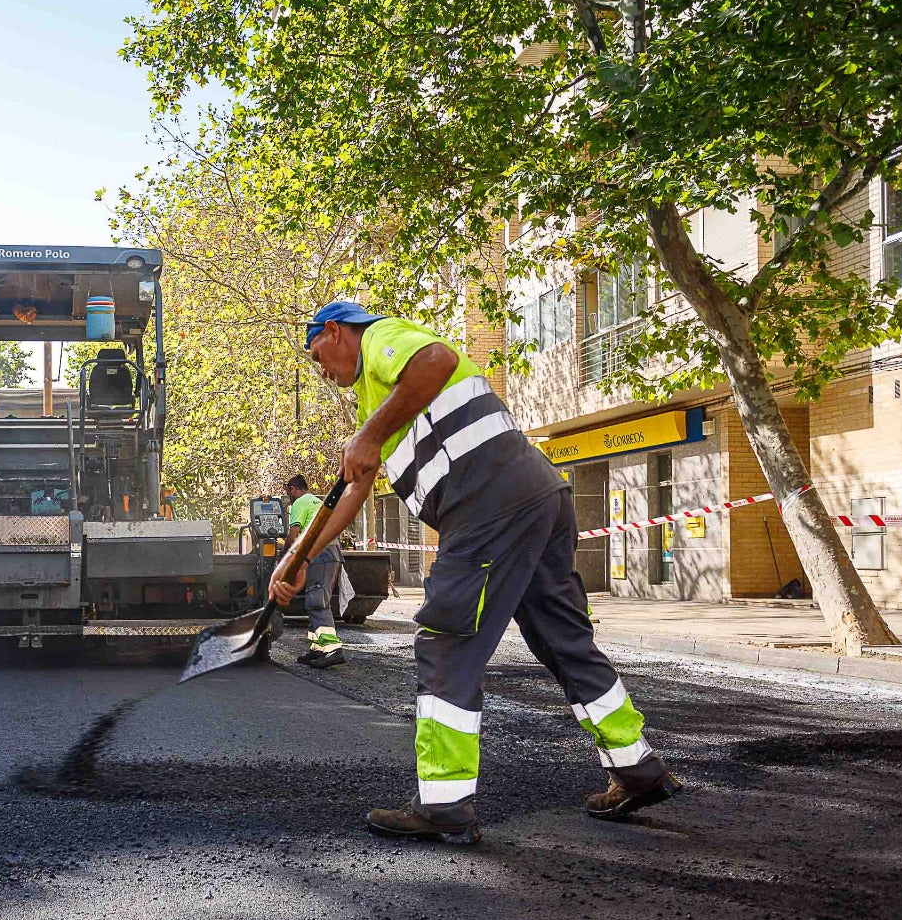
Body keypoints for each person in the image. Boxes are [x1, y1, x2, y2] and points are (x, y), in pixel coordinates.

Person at [271, 301, 680, 845]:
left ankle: (444, 805)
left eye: (317, 353)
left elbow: (437, 358)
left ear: (335, 331)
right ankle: (637, 768)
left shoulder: (380, 343)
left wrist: (369, 434)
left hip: (487, 508)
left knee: (446, 643)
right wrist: (295, 558)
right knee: (564, 641)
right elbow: (352, 494)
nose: (321, 369)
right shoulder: (383, 402)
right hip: (538, 497)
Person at [284, 474, 345, 668]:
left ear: (293, 489)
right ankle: (317, 649)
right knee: (316, 600)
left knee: (317, 602)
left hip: (320, 554)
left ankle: (332, 649)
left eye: (288, 493)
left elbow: (293, 536)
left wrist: (283, 559)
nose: (289, 496)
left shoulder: (300, 503)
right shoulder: (317, 502)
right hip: (332, 552)